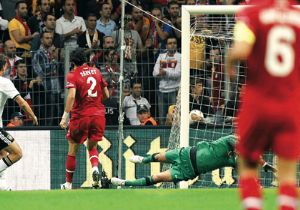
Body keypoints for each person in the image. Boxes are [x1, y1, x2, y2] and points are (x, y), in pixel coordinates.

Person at [225, 1, 300, 210]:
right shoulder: (297, 17)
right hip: (290, 105)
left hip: (258, 103)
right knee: (286, 175)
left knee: (248, 162)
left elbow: (241, 50)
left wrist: (229, 61)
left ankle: (252, 205)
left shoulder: (251, 12)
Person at [111, 135, 277, 187]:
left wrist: (262, 167)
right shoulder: (231, 140)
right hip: (185, 153)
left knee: (157, 178)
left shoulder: (234, 161)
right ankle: (143, 160)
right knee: (158, 157)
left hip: (188, 171)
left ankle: (124, 182)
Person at [59, 48, 109, 190]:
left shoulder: (73, 75)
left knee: (73, 146)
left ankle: (68, 184)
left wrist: (64, 117)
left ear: (73, 62)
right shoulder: (96, 71)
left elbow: (72, 95)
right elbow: (106, 93)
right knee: (92, 146)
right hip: (98, 115)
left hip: (81, 116)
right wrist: (96, 102)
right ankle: (94, 169)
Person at [0, 54, 38, 190]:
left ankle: (3, 188)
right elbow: (21, 102)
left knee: (3, 154)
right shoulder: (4, 82)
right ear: (5, 67)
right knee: (17, 153)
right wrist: (32, 115)